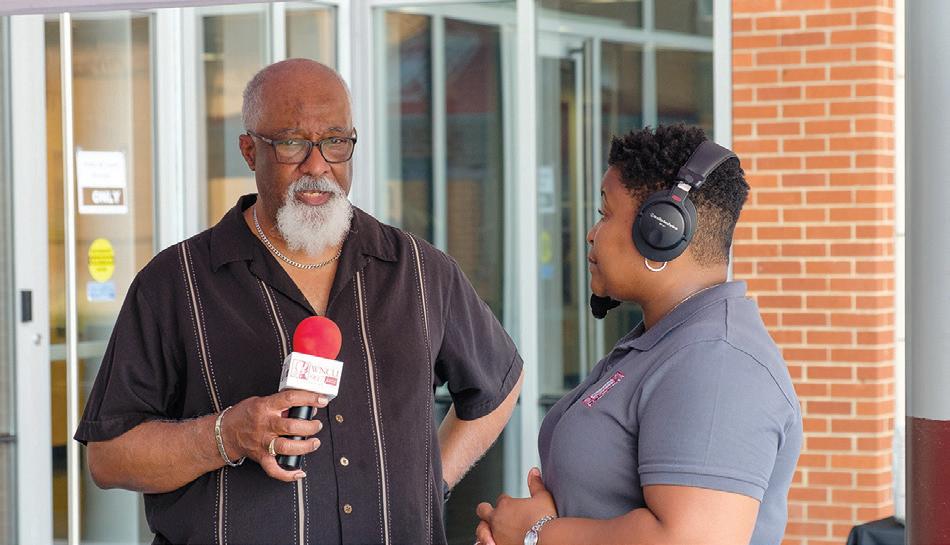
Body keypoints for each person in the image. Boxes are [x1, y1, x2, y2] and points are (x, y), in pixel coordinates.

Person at [74, 58, 524, 545]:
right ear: (250, 150)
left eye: (335, 141)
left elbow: (499, 384)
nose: (317, 166)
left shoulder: (418, 270)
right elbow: (108, 456)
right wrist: (227, 435)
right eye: (291, 143)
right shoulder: (175, 282)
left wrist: (429, 484)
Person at [475, 125, 802, 545]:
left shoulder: (719, 362)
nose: (592, 233)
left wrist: (537, 534)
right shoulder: (661, 342)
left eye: (605, 212)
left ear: (662, 230)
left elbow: (691, 541)